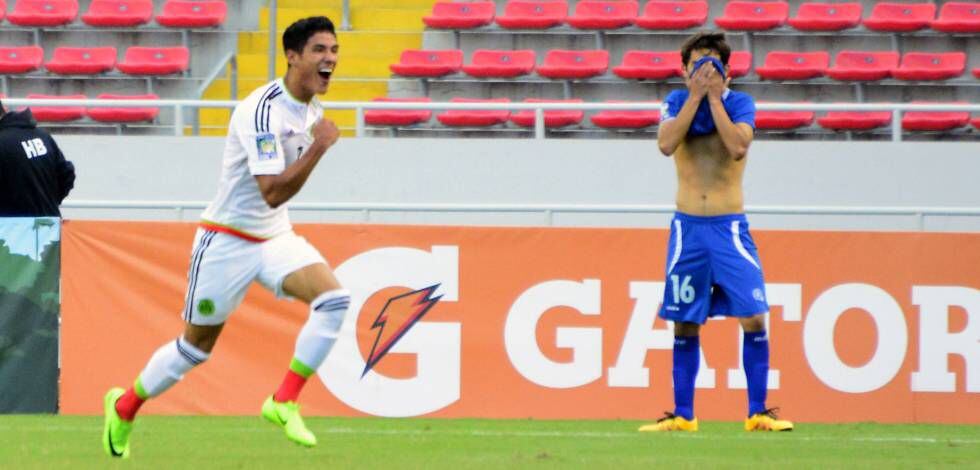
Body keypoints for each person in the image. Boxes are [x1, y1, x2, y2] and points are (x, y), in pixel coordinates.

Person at [103, 16, 346, 458]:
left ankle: (284, 400)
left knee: (334, 300)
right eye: (319, 50)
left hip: (273, 239)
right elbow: (271, 191)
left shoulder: (312, 110)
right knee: (195, 349)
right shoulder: (261, 110)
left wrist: (316, 141)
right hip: (226, 240)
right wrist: (319, 147)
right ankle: (124, 407)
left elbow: (275, 205)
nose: (329, 59)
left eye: (333, 51)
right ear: (292, 56)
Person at [638, 32, 793, 433]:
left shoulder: (739, 104)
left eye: (712, 63)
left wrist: (713, 98)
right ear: (685, 69)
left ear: (727, 70)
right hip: (688, 228)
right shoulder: (675, 103)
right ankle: (684, 415)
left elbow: (738, 146)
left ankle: (757, 412)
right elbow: (666, 144)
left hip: (729, 228)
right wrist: (694, 97)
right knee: (684, 323)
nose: (705, 71)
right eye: (697, 64)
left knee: (754, 316)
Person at [0, 100, 75, 217]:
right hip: (48, 226)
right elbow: (67, 174)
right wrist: (48, 205)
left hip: (13, 230)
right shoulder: (41, 135)